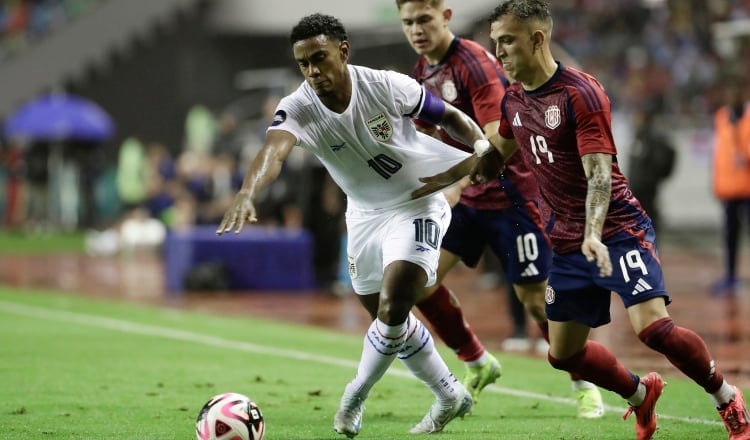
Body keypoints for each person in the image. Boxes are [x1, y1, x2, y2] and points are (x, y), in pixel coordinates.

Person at [412, 1, 750, 439]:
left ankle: (726, 397)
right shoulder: (514, 100)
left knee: (654, 328)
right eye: (495, 44)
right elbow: (495, 157)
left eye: (508, 42)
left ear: (537, 39)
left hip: (617, 230)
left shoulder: (581, 93)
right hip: (568, 243)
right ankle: (639, 395)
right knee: (562, 353)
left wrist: (594, 233)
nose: (500, 54)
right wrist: (433, 183)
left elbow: (599, 175)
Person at [216, 13, 493, 437]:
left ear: (343, 51)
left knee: (394, 305)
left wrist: (479, 144)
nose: (312, 71)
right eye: (303, 63)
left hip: (417, 202)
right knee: (388, 323)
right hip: (364, 215)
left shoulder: (385, 85)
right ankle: (450, 394)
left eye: (320, 58)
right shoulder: (298, 106)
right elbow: (272, 152)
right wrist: (246, 192)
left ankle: (353, 398)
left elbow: (448, 116)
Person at [396, 0, 604, 416]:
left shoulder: (473, 63)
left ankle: (586, 383)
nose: (416, 30)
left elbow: (497, 139)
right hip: (466, 200)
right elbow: (422, 140)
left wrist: (452, 183)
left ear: (446, 16)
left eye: (424, 19)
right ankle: (477, 360)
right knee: (418, 279)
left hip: (513, 198)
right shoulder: (423, 71)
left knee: (533, 301)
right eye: (408, 22)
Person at [710, 78, 750, 296]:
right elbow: (720, 154)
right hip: (729, 188)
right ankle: (730, 275)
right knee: (730, 236)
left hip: (748, 187)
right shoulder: (721, 117)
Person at [626, 103, 676, 235]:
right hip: (636, 190)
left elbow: (664, 158)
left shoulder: (652, 138)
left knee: (647, 224)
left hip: (646, 191)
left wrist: (651, 179)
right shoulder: (638, 136)